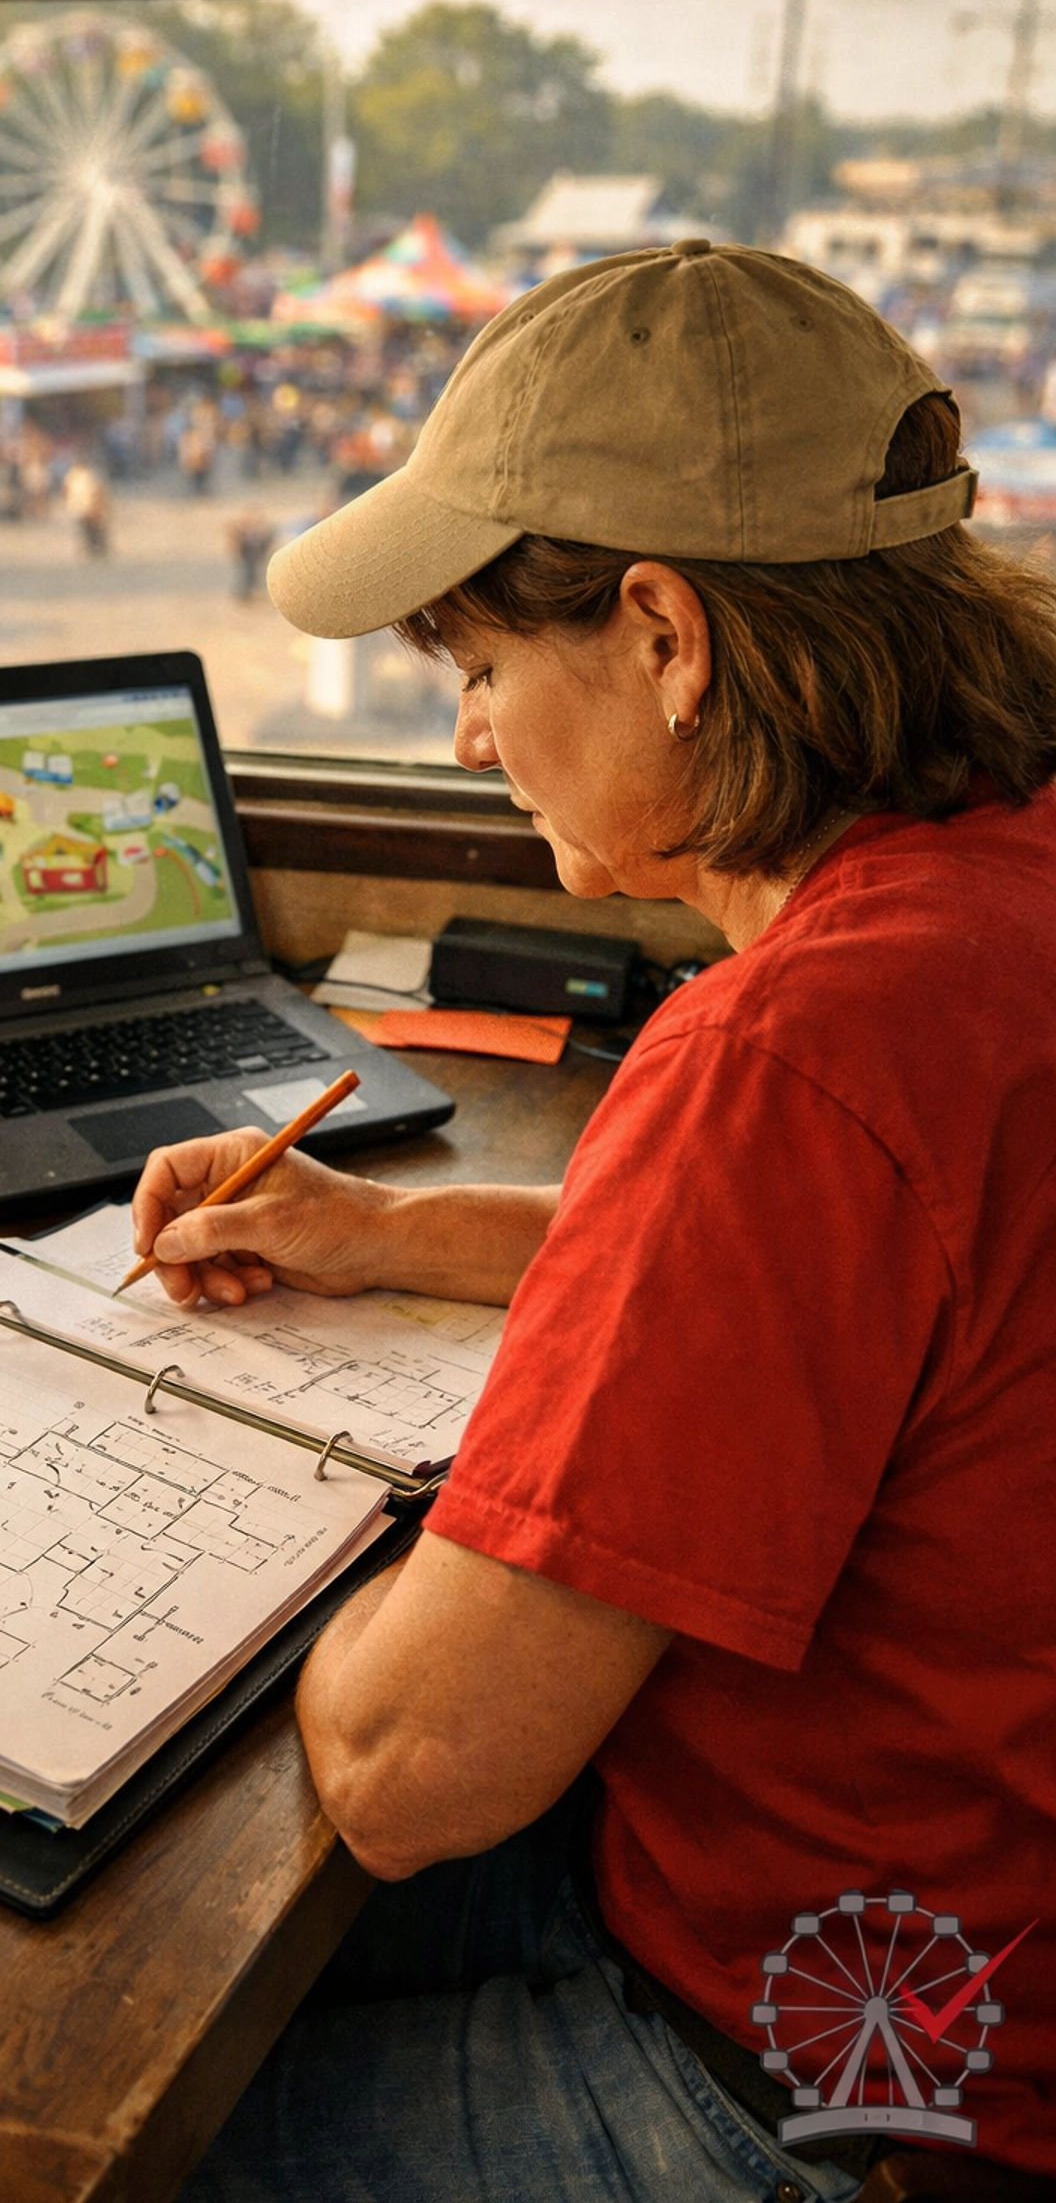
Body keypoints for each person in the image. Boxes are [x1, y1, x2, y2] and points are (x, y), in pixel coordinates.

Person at [131, 244, 1056, 2199]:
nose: (470, 740)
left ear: (664, 634)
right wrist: (384, 1236)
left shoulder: (794, 1054)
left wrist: (282, 1554)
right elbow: (843, 1285)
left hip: (849, 2081)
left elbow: (408, 1775)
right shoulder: (994, 889)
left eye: (478, 670)